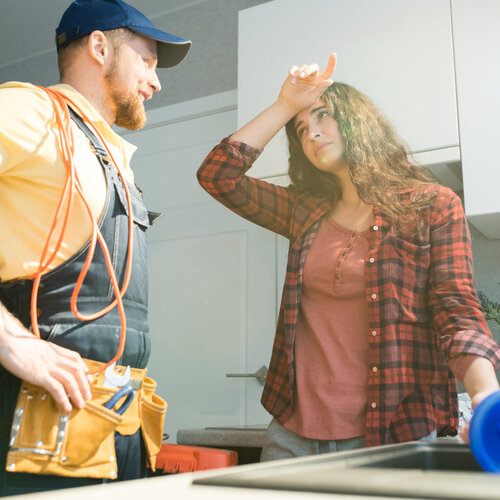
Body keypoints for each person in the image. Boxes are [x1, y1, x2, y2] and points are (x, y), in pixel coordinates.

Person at [197, 54, 500, 461]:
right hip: (291, 435)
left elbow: (456, 306)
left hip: (394, 433)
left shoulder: (431, 206)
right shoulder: (303, 211)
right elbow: (218, 175)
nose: (312, 134)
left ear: (358, 122)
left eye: (323, 116)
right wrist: (286, 105)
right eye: (302, 130)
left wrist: (485, 394)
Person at [0, 0, 190, 494]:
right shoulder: (31, 112)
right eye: (147, 60)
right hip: (35, 423)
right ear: (100, 47)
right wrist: (10, 340)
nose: (156, 81)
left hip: (108, 422)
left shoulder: (109, 153)